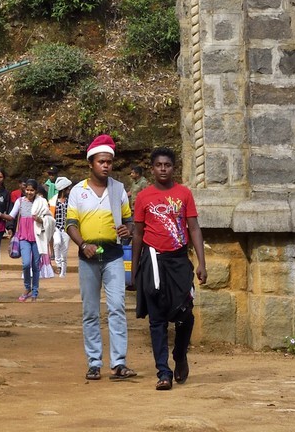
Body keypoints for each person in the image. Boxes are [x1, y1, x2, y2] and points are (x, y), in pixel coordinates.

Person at [131, 146, 207, 390]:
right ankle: (163, 372)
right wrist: (134, 271)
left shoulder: (184, 194)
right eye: (158, 165)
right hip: (153, 261)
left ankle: (180, 354)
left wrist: (201, 263)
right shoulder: (144, 196)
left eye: (168, 165)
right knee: (157, 320)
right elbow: (138, 234)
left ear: (174, 168)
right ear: (152, 169)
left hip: (179, 261)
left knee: (186, 314)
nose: (163, 169)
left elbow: (193, 228)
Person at [64, 133, 138, 381]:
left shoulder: (118, 190)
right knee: (90, 311)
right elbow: (71, 223)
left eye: (109, 161)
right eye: (101, 161)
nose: (106, 165)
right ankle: (94, 362)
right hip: (88, 258)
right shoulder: (78, 191)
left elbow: (129, 221)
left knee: (117, 307)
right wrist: (83, 244)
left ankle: (118, 363)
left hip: (114, 255)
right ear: (91, 163)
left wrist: (129, 229)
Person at [10, 177, 50, 301]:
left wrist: (39, 219)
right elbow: (12, 215)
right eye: (27, 190)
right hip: (23, 237)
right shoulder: (20, 201)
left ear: (36, 191)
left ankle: (35, 291)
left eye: (32, 190)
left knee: (36, 265)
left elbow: (48, 218)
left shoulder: (41, 202)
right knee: (26, 264)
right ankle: (27, 288)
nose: (29, 192)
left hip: (38, 237)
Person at [52, 176, 72, 276]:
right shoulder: (53, 201)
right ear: (64, 189)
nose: (69, 190)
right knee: (57, 242)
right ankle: (58, 265)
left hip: (67, 228)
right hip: (56, 227)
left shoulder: (70, 201)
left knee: (65, 249)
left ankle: (63, 271)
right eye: (68, 188)